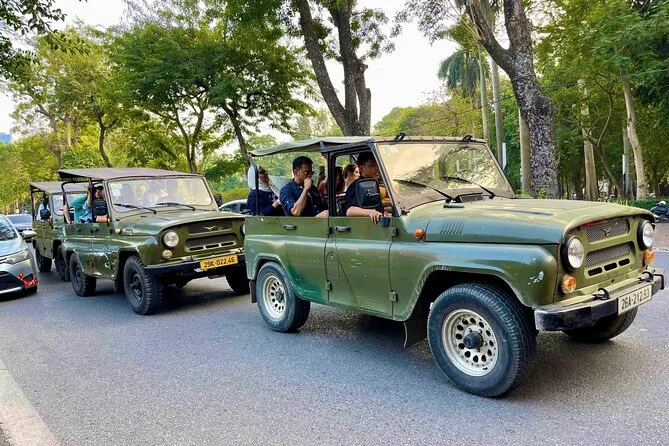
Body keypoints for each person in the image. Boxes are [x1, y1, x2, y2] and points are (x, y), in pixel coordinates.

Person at [343, 151, 389, 223]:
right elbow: (350, 211)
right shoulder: (357, 185)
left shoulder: (375, 184)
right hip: (362, 226)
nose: (377, 168)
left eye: (378, 164)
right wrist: (371, 212)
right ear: (361, 168)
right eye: (372, 165)